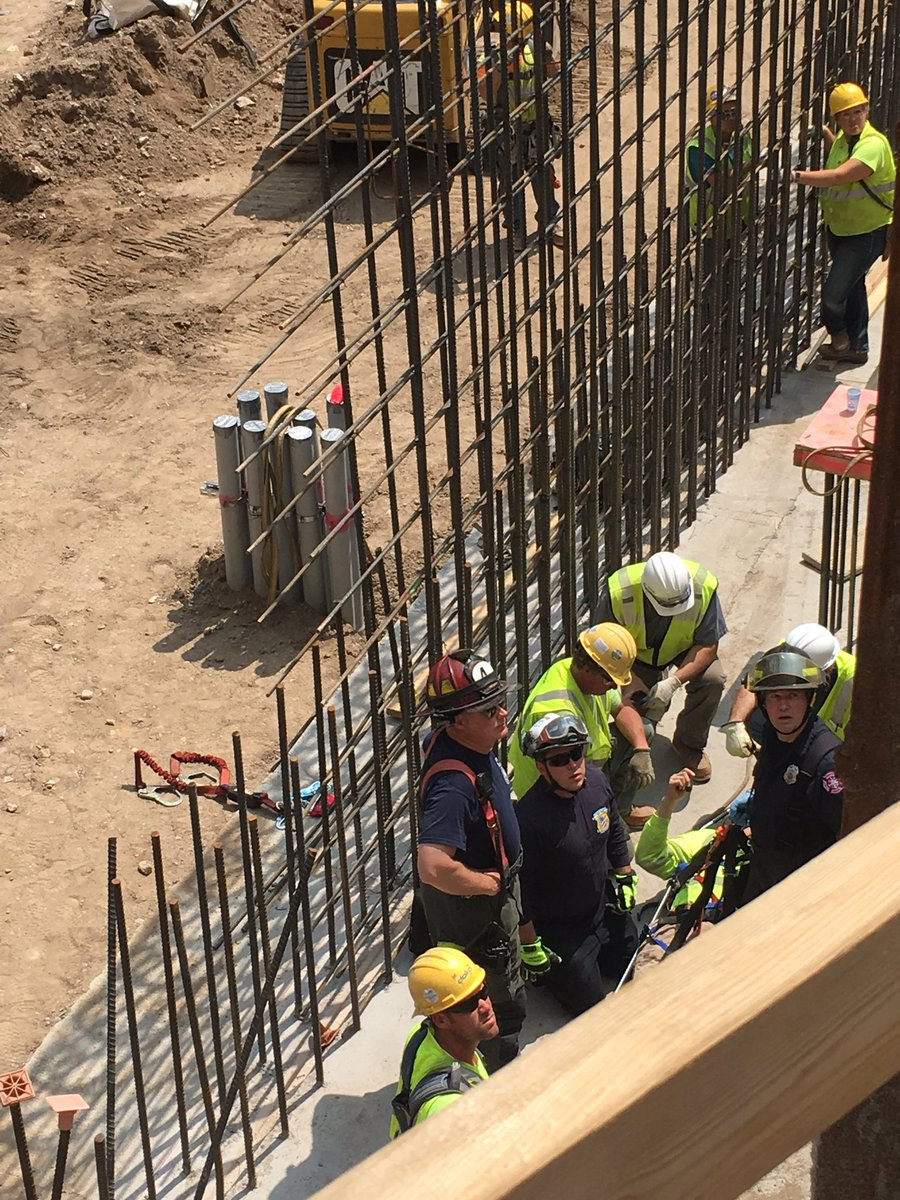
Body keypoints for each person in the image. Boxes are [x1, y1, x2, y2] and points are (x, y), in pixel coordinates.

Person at [417, 649, 526, 1071]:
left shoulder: (457, 740)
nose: (503, 712)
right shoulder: (452, 787)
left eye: (499, 700)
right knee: (498, 1006)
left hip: (491, 902)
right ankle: (495, 1076)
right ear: (458, 720)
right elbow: (433, 865)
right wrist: (489, 885)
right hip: (480, 917)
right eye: (488, 709)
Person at [515, 713, 638, 1015]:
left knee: (631, 965)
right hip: (560, 928)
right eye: (559, 760)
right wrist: (529, 942)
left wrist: (623, 874)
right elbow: (521, 889)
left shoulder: (597, 782)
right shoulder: (529, 820)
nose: (573, 765)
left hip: (600, 907)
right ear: (541, 767)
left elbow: (615, 833)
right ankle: (551, 977)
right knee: (590, 1007)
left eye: (576, 753)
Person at [593, 551, 728, 784]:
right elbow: (601, 644)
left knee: (713, 679)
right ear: (648, 591)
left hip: (684, 647)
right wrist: (628, 679)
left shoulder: (702, 586)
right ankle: (632, 755)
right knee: (639, 710)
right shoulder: (619, 591)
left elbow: (708, 644)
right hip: (633, 658)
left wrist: (672, 682)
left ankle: (688, 744)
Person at [507, 622, 655, 829]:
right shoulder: (558, 712)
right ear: (587, 670)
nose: (614, 686)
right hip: (555, 787)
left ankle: (620, 810)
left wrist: (642, 749)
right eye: (610, 680)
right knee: (619, 849)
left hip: (586, 764)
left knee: (643, 731)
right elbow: (567, 777)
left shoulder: (579, 672)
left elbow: (621, 709)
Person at [790, 82, 895, 366]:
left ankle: (840, 338)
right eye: (845, 114)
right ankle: (858, 347)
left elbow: (839, 176)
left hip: (866, 232)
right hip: (841, 229)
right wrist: (826, 135)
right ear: (836, 118)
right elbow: (842, 153)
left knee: (833, 296)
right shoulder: (844, 139)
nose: (853, 119)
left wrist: (796, 177)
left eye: (858, 112)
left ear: (867, 109)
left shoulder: (873, 145)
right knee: (854, 286)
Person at [739, 649, 845, 903]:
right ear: (763, 703)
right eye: (774, 696)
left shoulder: (827, 762)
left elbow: (846, 836)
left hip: (803, 890)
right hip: (766, 871)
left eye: (793, 695)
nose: (783, 706)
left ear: (810, 699)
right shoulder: (771, 734)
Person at [478, 1, 564, 251]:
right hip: (509, 132)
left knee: (543, 179)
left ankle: (550, 225)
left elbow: (555, 77)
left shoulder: (536, 50)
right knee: (511, 184)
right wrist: (499, 69)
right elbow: (484, 93)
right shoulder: (492, 56)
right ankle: (515, 230)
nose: (509, 38)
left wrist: (549, 59)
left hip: (536, 127)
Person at [390, 947, 496, 1137]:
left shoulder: (421, 1035)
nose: (485, 1006)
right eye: (468, 1004)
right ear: (440, 1019)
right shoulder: (449, 1111)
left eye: (483, 991)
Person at [722, 621, 855, 754]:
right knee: (757, 721)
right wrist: (736, 723)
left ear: (826, 672)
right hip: (799, 732)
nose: (783, 705)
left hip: (828, 750)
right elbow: (755, 682)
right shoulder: (789, 652)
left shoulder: (854, 683)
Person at [684, 85, 753, 304]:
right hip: (710, 225)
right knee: (712, 282)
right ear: (711, 117)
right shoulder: (699, 148)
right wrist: (753, 164)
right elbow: (723, 182)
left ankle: (733, 328)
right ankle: (708, 329)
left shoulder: (742, 135)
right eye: (725, 114)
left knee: (734, 278)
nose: (732, 118)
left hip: (738, 219)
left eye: (735, 112)